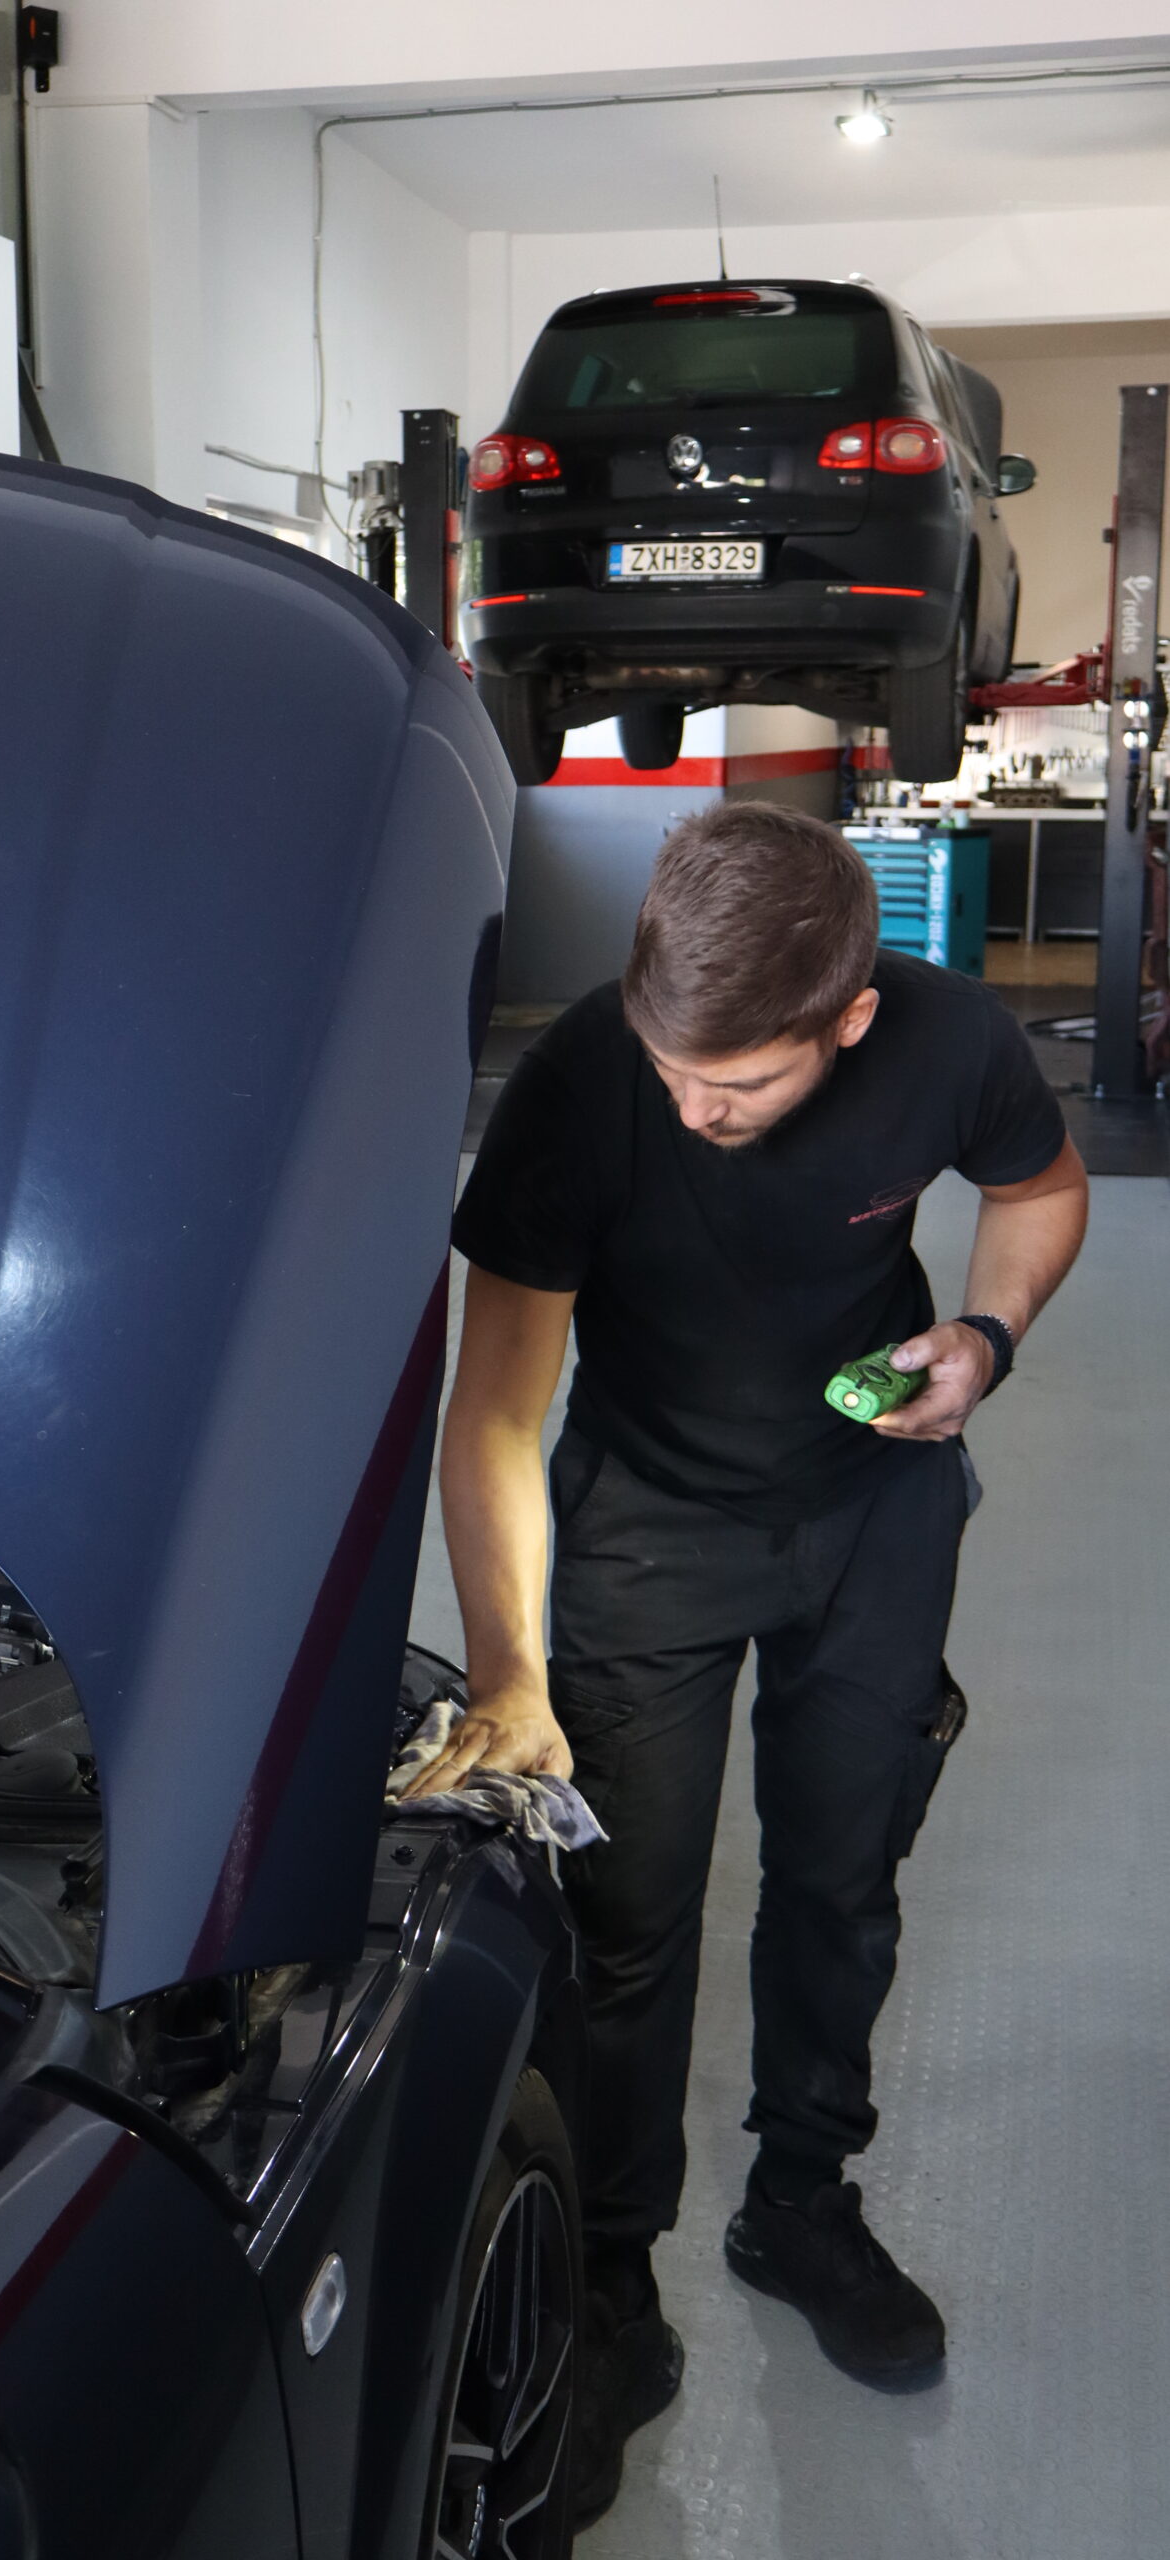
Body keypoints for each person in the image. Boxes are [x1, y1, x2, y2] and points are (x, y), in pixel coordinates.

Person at [407, 801, 1088, 2524]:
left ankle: (800, 2206)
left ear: (846, 1020)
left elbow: (1039, 1187)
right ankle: (607, 2283)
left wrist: (984, 1335)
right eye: (672, 1070)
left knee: (840, 1883)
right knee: (624, 1923)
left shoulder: (946, 1036)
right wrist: (507, 1671)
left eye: (740, 1085)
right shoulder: (583, 1083)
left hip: (874, 1508)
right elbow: (495, 1409)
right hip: (646, 1521)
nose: (694, 1110)